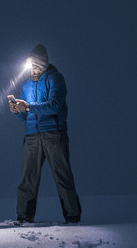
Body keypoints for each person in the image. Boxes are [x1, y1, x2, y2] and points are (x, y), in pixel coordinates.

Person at [8, 44, 82, 225]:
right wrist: (17, 110)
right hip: (31, 136)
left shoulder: (55, 78)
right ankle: (23, 217)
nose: (32, 70)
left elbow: (54, 105)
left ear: (44, 64)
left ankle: (72, 217)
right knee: (28, 179)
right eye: (30, 66)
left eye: (36, 66)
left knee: (62, 176)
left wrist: (28, 106)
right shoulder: (26, 85)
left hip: (53, 134)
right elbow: (25, 117)